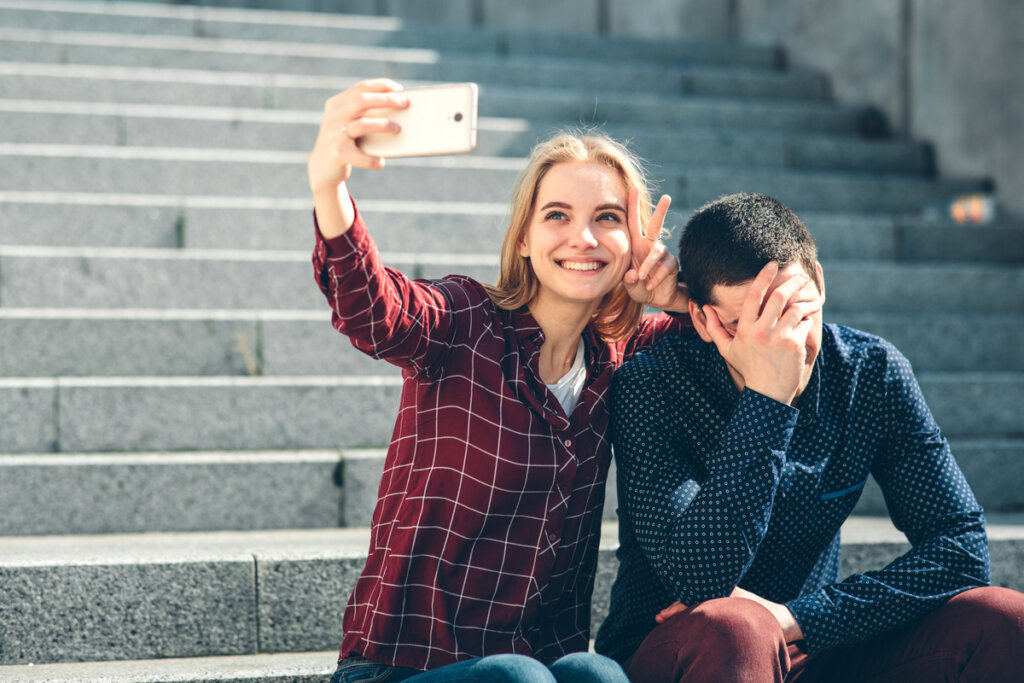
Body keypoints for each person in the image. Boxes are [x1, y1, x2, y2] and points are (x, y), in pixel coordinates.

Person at [307, 78, 692, 683]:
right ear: (524, 237)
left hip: (539, 662)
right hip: (402, 664)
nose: (582, 237)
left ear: (633, 242)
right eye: (557, 215)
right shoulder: (464, 319)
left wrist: (681, 297)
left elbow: (739, 342)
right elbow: (373, 307)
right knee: (519, 679)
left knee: (599, 676)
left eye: (608, 219)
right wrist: (330, 185)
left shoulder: (624, 357)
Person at [595, 192, 1024, 682]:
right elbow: (700, 581)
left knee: (1005, 619)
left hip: (814, 645)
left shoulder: (870, 372)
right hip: (686, 650)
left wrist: (802, 617)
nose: (784, 342)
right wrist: (768, 400)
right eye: (745, 325)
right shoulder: (650, 385)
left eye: (794, 312)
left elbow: (962, 550)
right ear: (702, 319)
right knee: (739, 626)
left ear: (819, 282)